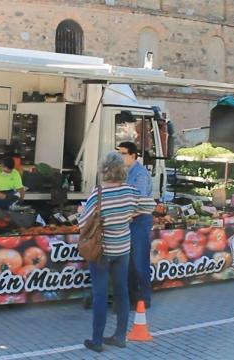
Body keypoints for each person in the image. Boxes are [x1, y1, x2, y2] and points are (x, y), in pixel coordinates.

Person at [78, 152, 155, 352]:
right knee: (122, 293)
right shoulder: (130, 191)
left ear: (104, 170)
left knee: (100, 294)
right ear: (122, 170)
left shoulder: (98, 194)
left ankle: (97, 340)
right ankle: (120, 336)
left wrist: (80, 213)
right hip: (123, 249)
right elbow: (150, 205)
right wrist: (130, 214)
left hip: (101, 251)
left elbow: (83, 223)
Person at [118, 141, 154, 309]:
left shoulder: (140, 174)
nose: (120, 156)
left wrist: (124, 214)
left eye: (123, 153)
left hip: (139, 221)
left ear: (133, 155)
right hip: (129, 220)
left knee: (139, 261)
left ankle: (144, 299)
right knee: (130, 263)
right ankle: (132, 297)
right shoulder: (125, 173)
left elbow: (138, 201)